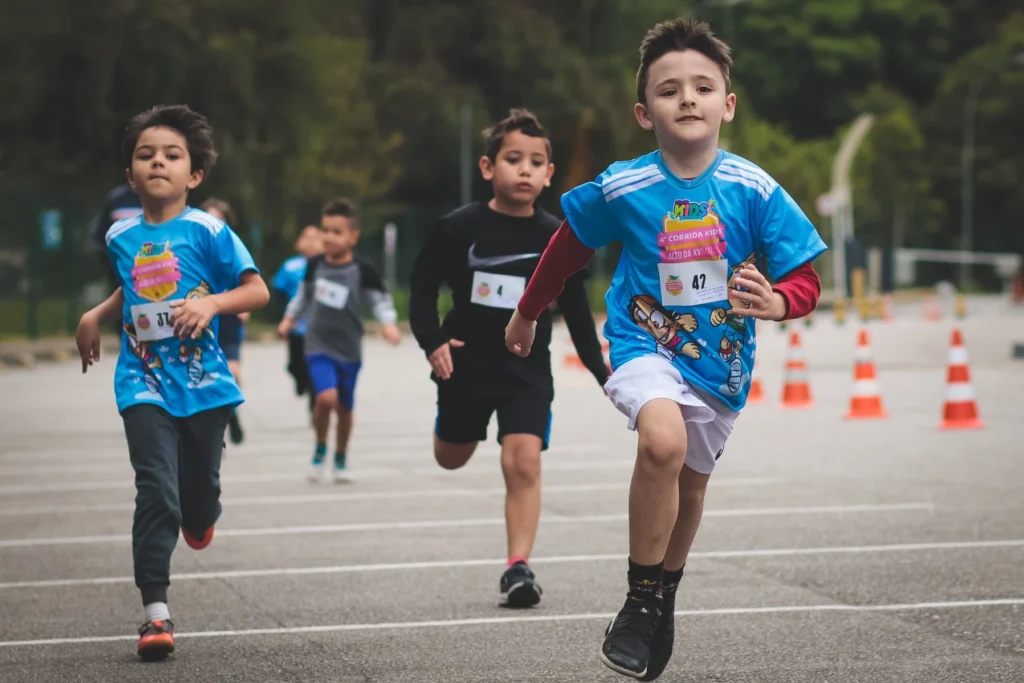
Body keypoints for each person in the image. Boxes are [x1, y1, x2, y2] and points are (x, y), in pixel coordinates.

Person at [504, 19, 825, 680]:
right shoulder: (625, 186)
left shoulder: (754, 189)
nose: (687, 98)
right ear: (644, 111)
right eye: (669, 89)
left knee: (692, 485)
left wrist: (780, 300)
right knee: (662, 442)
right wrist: (527, 312)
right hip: (642, 340)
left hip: (721, 365)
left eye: (703, 87)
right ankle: (639, 597)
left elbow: (806, 277)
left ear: (726, 105)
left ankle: (662, 595)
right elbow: (566, 247)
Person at [74, 104, 270, 661]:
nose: (158, 162)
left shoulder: (209, 230)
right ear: (130, 175)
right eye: (145, 155)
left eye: (172, 155)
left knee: (197, 499)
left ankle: (202, 515)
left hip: (205, 384)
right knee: (155, 488)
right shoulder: (121, 234)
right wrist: (96, 314)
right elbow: (131, 293)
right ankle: (155, 614)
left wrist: (211, 303)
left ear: (195, 175)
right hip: (143, 382)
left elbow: (256, 291)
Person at [408, 109, 610, 609]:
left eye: (535, 162)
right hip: (464, 364)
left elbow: (577, 314)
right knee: (450, 457)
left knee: (522, 461)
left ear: (548, 173)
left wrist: (606, 375)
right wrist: (432, 340)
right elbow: (421, 287)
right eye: (513, 159)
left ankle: (518, 567)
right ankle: (454, 424)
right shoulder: (457, 228)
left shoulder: (558, 236)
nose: (524, 170)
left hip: (525, 370)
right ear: (486, 167)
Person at [277, 198, 401, 483]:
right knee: (325, 397)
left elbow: (380, 301)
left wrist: (388, 324)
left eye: (336, 232)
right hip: (317, 345)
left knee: (345, 408)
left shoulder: (363, 269)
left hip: (349, 349)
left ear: (353, 236)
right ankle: (320, 447)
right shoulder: (314, 265)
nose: (328, 237)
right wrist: (288, 320)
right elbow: (302, 297)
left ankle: (341, 457)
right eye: (325, 230)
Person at [200, 197, 249, 444]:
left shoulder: (235, 251)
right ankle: (220, 424)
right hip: (201, 324)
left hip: (229, 322)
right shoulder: (191, 248)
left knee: (231, 372)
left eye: (218, 220)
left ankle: (232, 413)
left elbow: (250, 285)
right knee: (206, 378)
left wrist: (244, 307)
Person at [271, 225, 323, 405]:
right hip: (296, 325)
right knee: (295, 364)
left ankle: (315, 396)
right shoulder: (290, 266)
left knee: (317, 366)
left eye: (315, 238)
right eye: (306, 238)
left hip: (320, 327)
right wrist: (283, 320)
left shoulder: (327, 265)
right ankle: (301, 380)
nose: (310, 243)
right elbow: (279, 293)